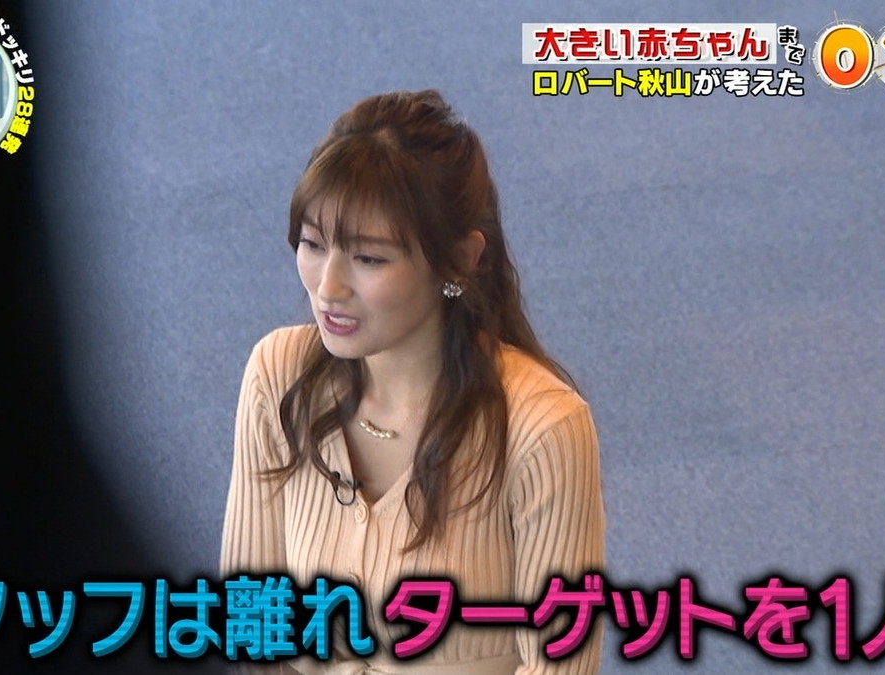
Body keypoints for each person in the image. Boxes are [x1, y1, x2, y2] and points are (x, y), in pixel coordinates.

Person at [221, 90, 605, 674]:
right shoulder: (279, 375)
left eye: (369, 259)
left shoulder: (543, 429)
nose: (328, 288)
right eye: (313, 245)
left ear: (459, 259)